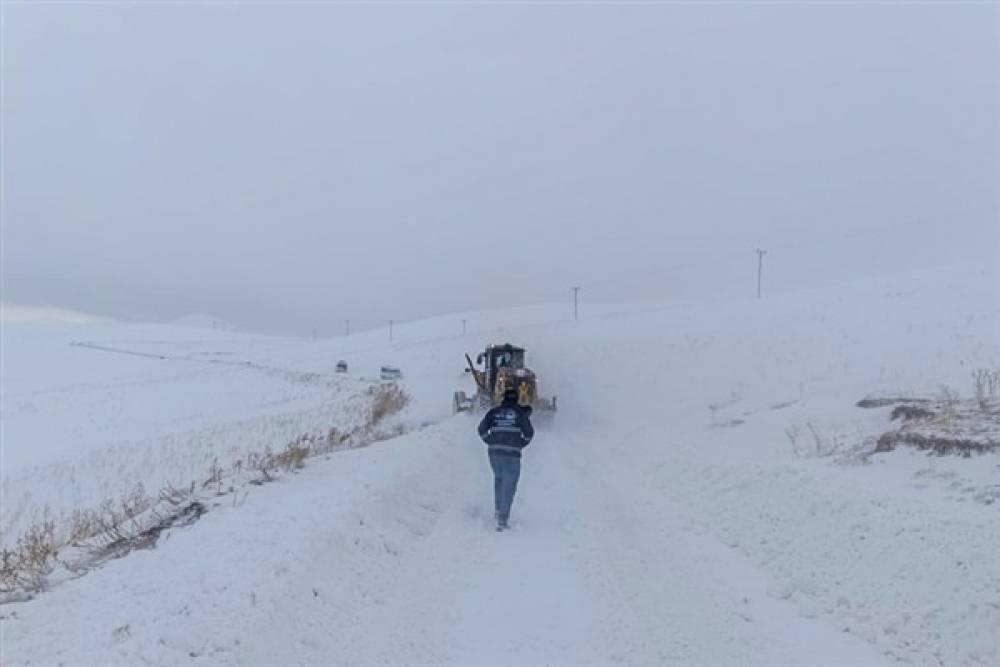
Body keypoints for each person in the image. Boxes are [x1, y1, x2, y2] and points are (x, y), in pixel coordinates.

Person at [477, 388, 534, 531]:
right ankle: (503, 518)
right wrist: (520, 444)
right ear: (516, 399)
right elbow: (529, 433)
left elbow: (481, 428)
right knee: (509, 485)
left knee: (499, 479)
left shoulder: (494, 412)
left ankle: (498, 509)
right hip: (512, 454)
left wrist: (489, 440)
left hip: (494, 453)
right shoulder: (520, 414)